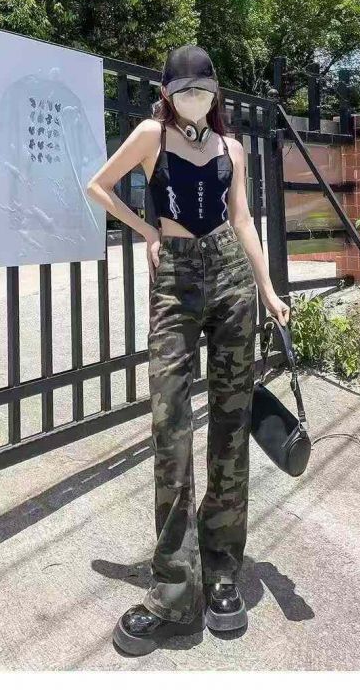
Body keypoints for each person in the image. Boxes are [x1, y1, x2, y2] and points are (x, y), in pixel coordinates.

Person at [87, 44, 290, 656]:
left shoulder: (232, 148)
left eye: (203, 90)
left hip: (231, 277)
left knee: (231, 424)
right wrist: (148, 231)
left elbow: (243, 219)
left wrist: (267, 288)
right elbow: (98, 186)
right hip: (175, 280)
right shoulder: (152, 134)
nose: (194, 99)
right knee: (170, 426)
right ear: (168, 94)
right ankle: (175, 588)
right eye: (184, 91)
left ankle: (223, 568)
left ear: (215, 93)